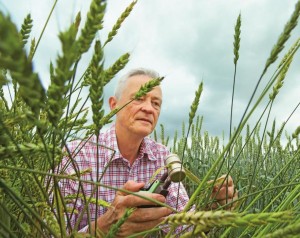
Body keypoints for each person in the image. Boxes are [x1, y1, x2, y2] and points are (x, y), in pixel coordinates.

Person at [57, 68, 237, 237]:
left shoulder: (162, 156)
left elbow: (181, 227)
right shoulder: (74, 155)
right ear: (114, 105)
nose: (149, 108)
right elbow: (50, 233)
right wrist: (105, 228)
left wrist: (212, 211)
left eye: (156, 103)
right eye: (139, 98)